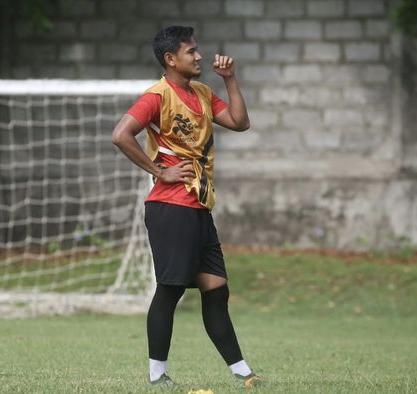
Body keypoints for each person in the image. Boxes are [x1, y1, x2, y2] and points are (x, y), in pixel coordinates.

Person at [111, 26, 261, 388]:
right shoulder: (157, 96)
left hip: (198, 206)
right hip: (170, 207)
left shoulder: (204, 94)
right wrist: (159, 171)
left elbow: (240, 123)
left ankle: (243, 374)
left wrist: (230, 79)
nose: (198, 56)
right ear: (170, 59)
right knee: (170, 289)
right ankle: (157, 375)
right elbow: (121, 134)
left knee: (216, 288)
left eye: (197, 50)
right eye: (191, 51)